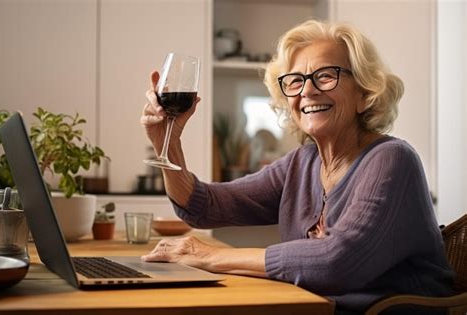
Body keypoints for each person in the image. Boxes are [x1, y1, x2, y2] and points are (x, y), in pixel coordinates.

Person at [140, 20, 454, 314]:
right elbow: (202, 207)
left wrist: (208, 255)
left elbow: (337, 262)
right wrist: (168, 143)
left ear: (364, 93)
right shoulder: (302, 163)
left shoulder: (392, 159)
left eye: (326, 75)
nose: (307, 90)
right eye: (295, 80)